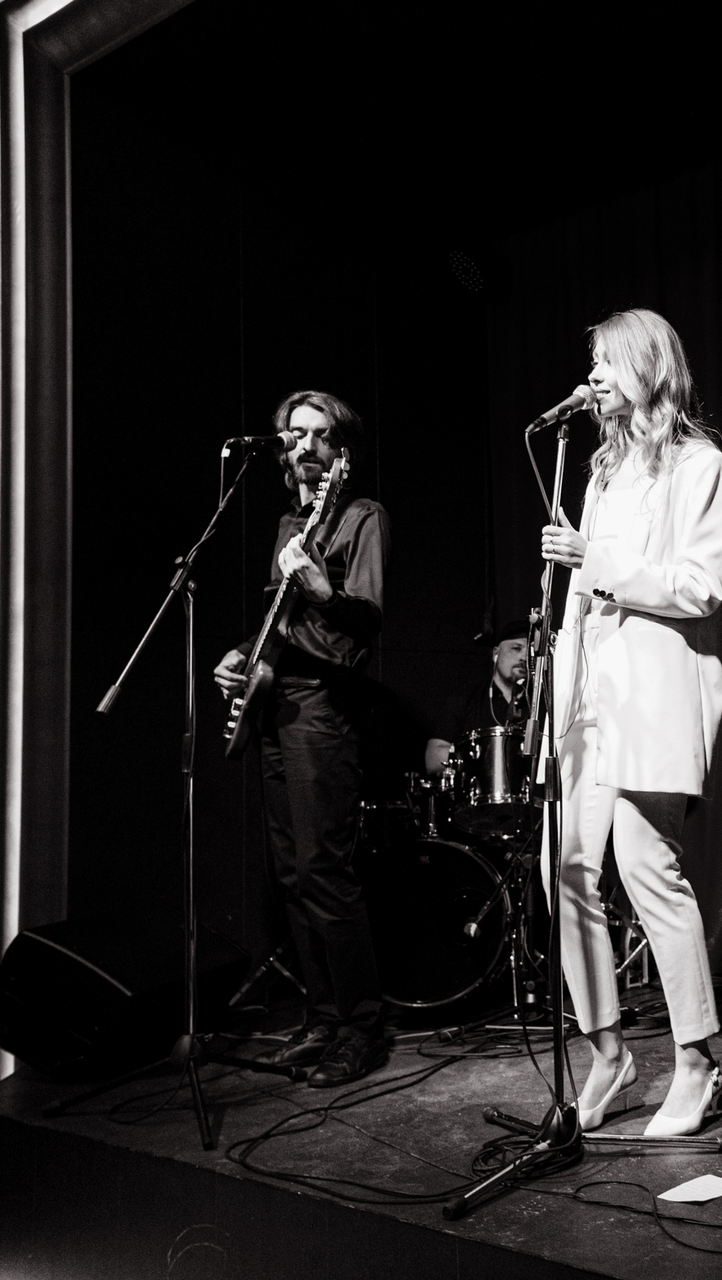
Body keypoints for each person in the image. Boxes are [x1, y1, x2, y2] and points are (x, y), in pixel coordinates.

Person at [538, 308, 722, 1136]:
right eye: (591, 364)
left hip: (654, 695)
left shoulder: (700, 465)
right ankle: (609, 1052)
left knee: (647, 867)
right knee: (565, 870)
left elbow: (700, 586)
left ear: (649, 368)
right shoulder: (600, 475)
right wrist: (558, 700)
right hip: (590, 701)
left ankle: (696, 1062)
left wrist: (598, 561)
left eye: (608, 363)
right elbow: (579, 607)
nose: (594, 378)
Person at [212, 389, 393, 1087]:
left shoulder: (361, 516)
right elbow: (279, 622)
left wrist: (320, 588)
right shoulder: (291, 522)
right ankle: (322, 1019)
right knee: (289, 873)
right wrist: (244, 655)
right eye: (294, 434)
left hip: (323, 704)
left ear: (341, 451)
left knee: (324, 869)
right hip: (277, 702)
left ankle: (361, 1028)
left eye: (319, 435)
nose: (305, 446)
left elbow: (367, 618)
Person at [423, 620, 530, 776]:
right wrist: (485, 757)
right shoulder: (466, 699)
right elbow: (433, 759)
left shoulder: (542, 706)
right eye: (516, 648)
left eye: (530, 652)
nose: (524, 657)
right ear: (496, 653)